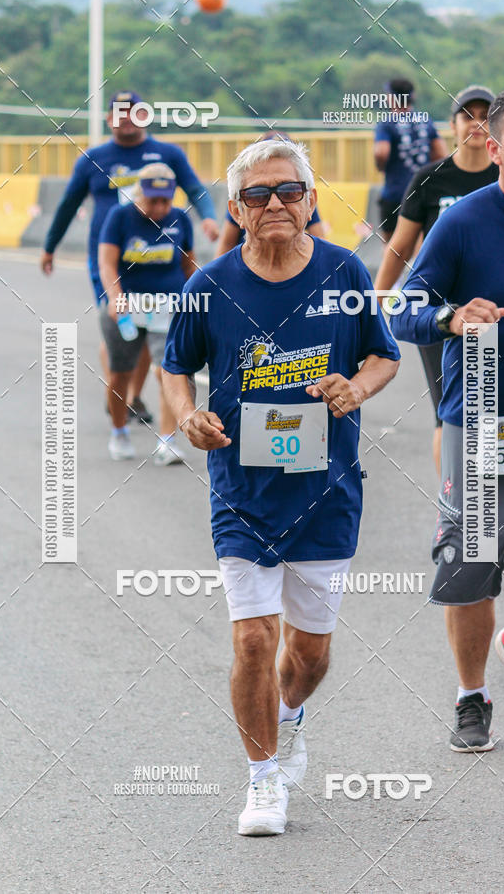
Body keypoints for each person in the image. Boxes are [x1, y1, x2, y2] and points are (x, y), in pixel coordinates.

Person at [162, 139, 400, 834]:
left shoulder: (344, 271)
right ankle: (263, 780)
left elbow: (384, 355)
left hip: (327, 490)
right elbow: (177, 368)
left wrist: (354, 388)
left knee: (311, 653)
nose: (275, 204)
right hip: (242, 490)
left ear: (311, 199)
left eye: (288, 191)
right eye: (258, 194)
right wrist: (187, 417)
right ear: (235, 208)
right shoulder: (208, 287)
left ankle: (289, 716)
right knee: (254, 643)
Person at [391, 85, 504, 753]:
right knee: (472, 571)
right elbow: (400, 308)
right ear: (494, 148)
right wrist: (450, 317)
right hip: (483, 428)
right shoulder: (463, 221)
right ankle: (473, 696)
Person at [41, 90, 218, 423]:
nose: (126, 119)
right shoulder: (92, 159)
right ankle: (120, 391)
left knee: (146, 330)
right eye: (119, 113)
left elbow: (196, 189)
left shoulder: (168, 154)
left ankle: (131, 397)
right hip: (110, 260)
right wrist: (50, 246)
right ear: (109, 119)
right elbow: (68, 207)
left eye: (134, 112)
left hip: (158, 258)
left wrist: (207, 216)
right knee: (122, 325)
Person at [375, 86, 498, 471]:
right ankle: (452, 503)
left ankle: (498, 496)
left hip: (498, 308)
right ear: (453, 125)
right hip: (440, 310)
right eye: (468, 116)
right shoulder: (430, 179)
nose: (476, 124)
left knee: (500, 410)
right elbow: (400, 246)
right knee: (449, 411)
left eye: (485, 116)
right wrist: (377, 299)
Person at [98, 163, 196, 462]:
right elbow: (107, 263)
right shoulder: (120, 217)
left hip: (167, 307)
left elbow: (189, 265)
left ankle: (166, 442)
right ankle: (118, 432)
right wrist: (116, 298)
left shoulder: (180, 219)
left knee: (168, 369)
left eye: (166, 200)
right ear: (140, 195)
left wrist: (197, 300)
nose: (160, 207)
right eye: (153, 200)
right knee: (121, 374)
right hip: (127, 307)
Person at [374, 78, 448, 243]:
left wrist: (381, 166)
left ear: (392, 98)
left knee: (392, 247)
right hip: (422, 193)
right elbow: (442, 153)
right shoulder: (425, 120)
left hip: (394, 194)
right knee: (421, 246)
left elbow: (381, 152)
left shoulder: (387, 123)